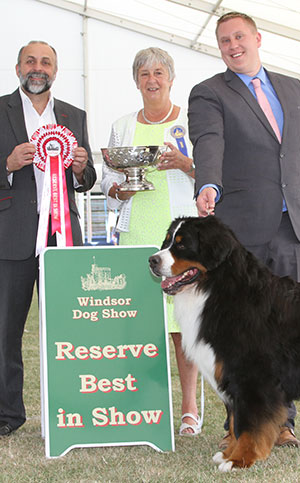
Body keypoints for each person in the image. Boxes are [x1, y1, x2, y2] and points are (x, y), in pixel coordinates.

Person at [188, 12, 300, 448]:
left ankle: (283, 423)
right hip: (241, 233)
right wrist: (208, 183)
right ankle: (243, 425)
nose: (233, 45)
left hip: (292, 228)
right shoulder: (209, 93)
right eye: (224, 40)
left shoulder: (293, 88)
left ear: (257, 38)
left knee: (289, 331)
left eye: (239, 36)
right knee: (240, 335)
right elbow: (208, 141)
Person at [101, 47, 201, 436]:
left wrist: (187, 164)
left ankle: (190, 409)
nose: (152, 79)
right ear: (136, 80)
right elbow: (107, 176)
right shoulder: (122, 126)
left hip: (180, 237)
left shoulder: (192, 123)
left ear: (171, 79)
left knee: (182, 327)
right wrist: (117, 192)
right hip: (136, 232)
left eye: (159, 72)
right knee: (139, 324)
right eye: (144, 74)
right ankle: (140, 404)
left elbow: (211, 172)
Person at [0, 40, 96, 436]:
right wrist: (6, 165)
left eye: (46, 62)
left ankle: (70, 410)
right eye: (30, 61)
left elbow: (88, 181)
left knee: (68, 330)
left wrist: (79, 169)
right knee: (5, 332)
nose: (37, 68)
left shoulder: (74, 114)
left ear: (55, 70)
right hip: (11, 239)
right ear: (17, 67)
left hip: (63, 237)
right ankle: (7, 416)